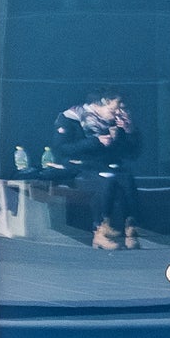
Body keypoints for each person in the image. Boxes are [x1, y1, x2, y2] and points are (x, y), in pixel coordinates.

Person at [40, 91, 142, 249]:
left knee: (125, 179)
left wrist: (129, 132)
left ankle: (131, 229)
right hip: (78, 166)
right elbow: (61, 149)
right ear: (103, 102)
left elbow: (132, 154)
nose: (118, 113)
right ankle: (100, 232)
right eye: (114, 108)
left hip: (104, 166)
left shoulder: (116, 122)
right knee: (106, 180)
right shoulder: (70, 118)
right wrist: (95, 142)